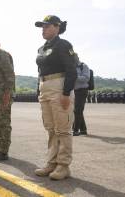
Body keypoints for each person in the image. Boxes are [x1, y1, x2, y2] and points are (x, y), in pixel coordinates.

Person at [34, 15, 77, 180]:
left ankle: (63, 165)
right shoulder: (42, 48)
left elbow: (71, 70)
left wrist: (66, 93)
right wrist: (38, 90)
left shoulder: (63, 45)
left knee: (62, 129)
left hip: (59, 87)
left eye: (47, 26)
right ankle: (51, 163)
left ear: (57, 27)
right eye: (42, 27)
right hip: (45, 88)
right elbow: (40, 72)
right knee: (51, 129)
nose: (43, 29)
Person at [72, 54, 90, 136]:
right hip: (74, 91)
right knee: (78, 111)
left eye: (73, 57)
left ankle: (75, 130)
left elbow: (86, 78)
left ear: (77, 58)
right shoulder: (71, 67)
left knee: (77, 111)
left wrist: (75, 77)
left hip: (82, 90)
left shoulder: (84, 66)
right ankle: (83, 130)